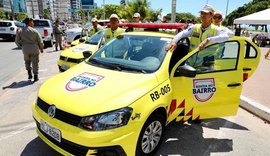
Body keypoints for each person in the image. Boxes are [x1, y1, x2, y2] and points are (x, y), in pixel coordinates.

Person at [166, 4, 232, 52]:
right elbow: (182, 34)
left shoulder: (216, 29)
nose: (203, 15)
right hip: (191, 63)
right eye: (201, 13)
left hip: (206, 66)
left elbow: (228, 35)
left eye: (206, 13)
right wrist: (174, 41)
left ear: (211, 15)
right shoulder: (194, 27)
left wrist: (208, 40)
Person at [15, 17, 43, 82]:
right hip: (34, 48)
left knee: (27, 61)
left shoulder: (20, 31)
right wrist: (41, 48)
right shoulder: (34, 31)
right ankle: (35, 77)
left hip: (25, 49)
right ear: (30, 22)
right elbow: (40, 41)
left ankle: (29, 74)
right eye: (32, 22)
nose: (33, 23)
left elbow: (16, 41)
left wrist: (21, 46)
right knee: (35, 62)